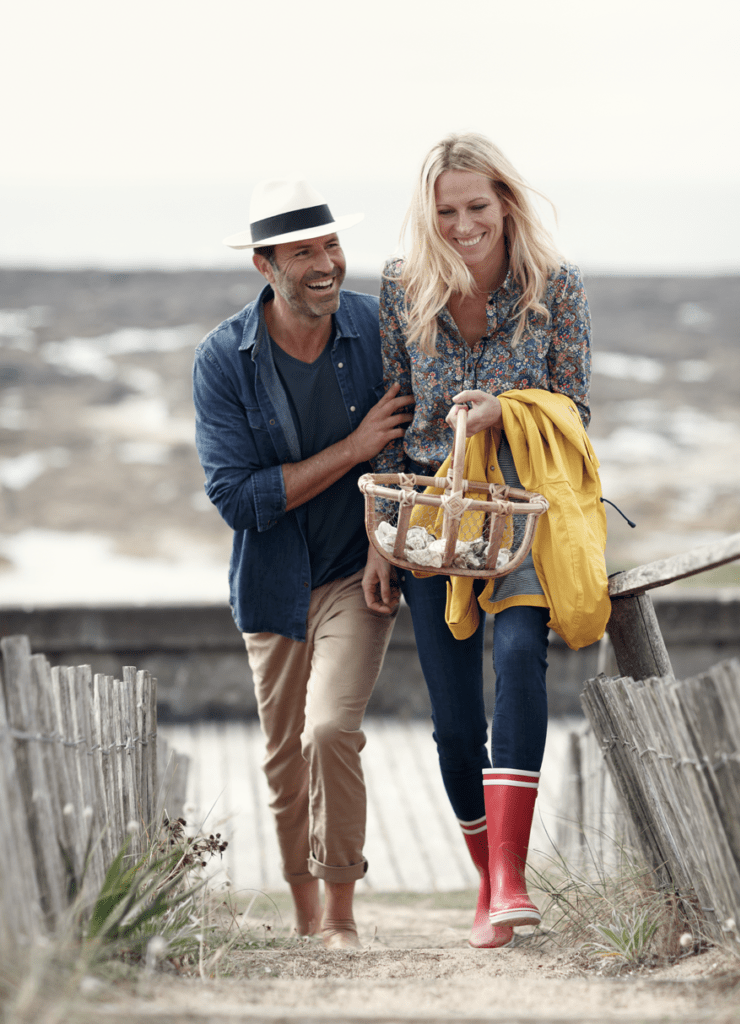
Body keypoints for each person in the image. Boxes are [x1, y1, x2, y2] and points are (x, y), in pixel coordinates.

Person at [363, 133, 609, 949]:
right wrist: (381, 543)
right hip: (435, 523)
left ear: (505, 200)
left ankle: (510, 879)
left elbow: (575, 410)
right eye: (446, 212)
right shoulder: (401, 288)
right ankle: (485, 878)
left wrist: (511, 409)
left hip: (524, 515)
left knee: (515, 659)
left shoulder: (556, 287)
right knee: (456, 722)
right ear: (427, 216)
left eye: (476, 206)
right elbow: (397, 425)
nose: (463, 225)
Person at [193, 179, 413, 949]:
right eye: (303, 253)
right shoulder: (223, 360)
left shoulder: (378, 325)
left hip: (362, 573)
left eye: (331, 246)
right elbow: (239, 500)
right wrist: (352, 451)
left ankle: (343, 917)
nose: (326, 264)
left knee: (329, 733)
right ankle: (305, 917)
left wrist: (388, 536)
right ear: (265, 266)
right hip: (273, 587)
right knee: (285, 767)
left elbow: (412, 452)